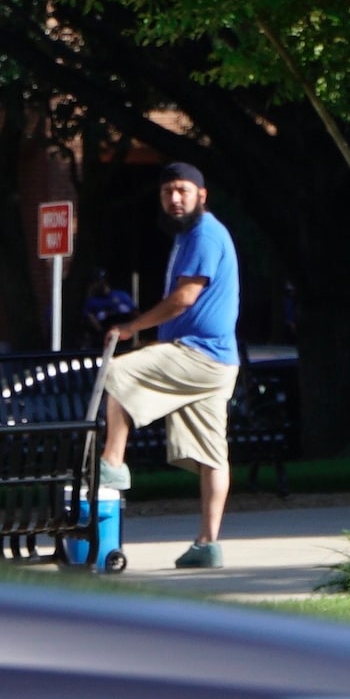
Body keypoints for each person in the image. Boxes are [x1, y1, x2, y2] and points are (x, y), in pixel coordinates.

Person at [99, 162, 240, 568]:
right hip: (216, 361)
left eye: (182, 190)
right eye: (167, 192)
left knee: (118, 371)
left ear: (202, 194)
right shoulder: (187, 236)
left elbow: (184, 298)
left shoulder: (204, 234)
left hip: (198, 353)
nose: (175, 199)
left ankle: (113, 464)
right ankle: (207, 544)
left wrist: (132, 328)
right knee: (213, 454)